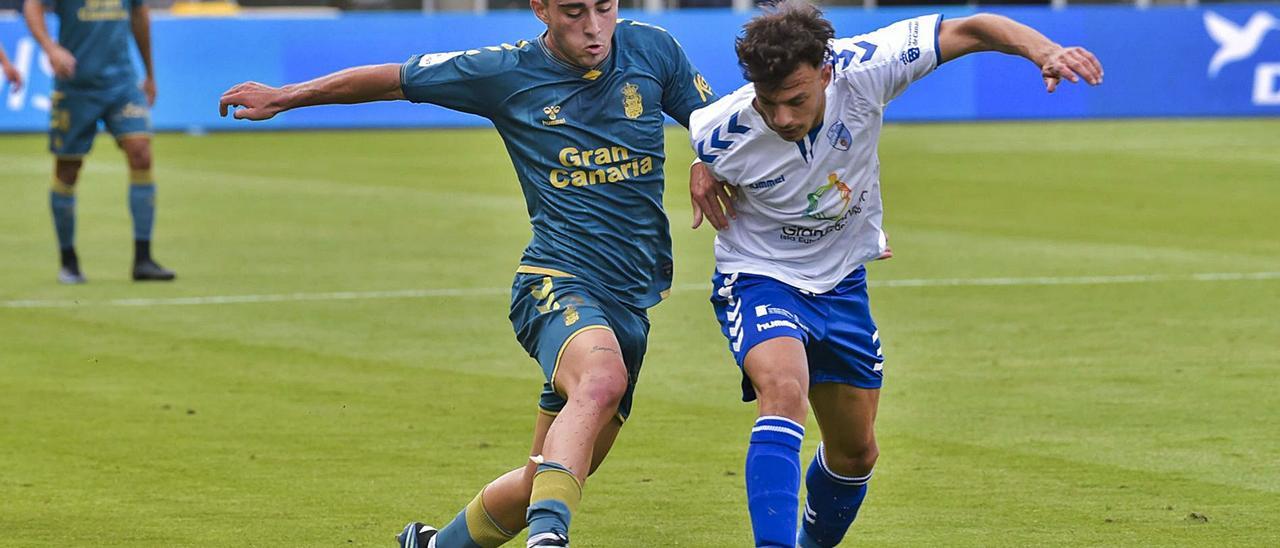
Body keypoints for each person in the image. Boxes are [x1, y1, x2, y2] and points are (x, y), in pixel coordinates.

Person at [217, 1, 716, 546]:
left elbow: (717, 122)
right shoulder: (504, 71)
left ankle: (435, 544)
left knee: (548, 475)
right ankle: (550, 540)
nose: (594, 28)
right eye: (574, 12)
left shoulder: (653, 49)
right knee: (600, 383)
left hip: (632, 299)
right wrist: (282, 96)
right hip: (556, 280)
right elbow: (395, 80)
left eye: (604, 7)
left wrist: (705, 159)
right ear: (541, 9)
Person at [686, 2, 1103, 546]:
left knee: (855, 454)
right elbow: (705, 154)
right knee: (784, 389)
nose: (783, 118)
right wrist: (701, 168)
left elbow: (973, 28)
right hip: (759, 275)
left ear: (826, 74)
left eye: (797, 100)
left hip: (842, 283)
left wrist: (1044, 51)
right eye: (769, 104)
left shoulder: (868, 67)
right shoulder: (719, 130)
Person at [23, 0, 173, 283]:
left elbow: (139, 15)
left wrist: (150, 74)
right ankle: (68, 260)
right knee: (68, 169)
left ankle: (143, 259)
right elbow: (32, 5)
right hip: (76, 85)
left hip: (122, 84)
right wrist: (50, 48)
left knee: (141, 152)